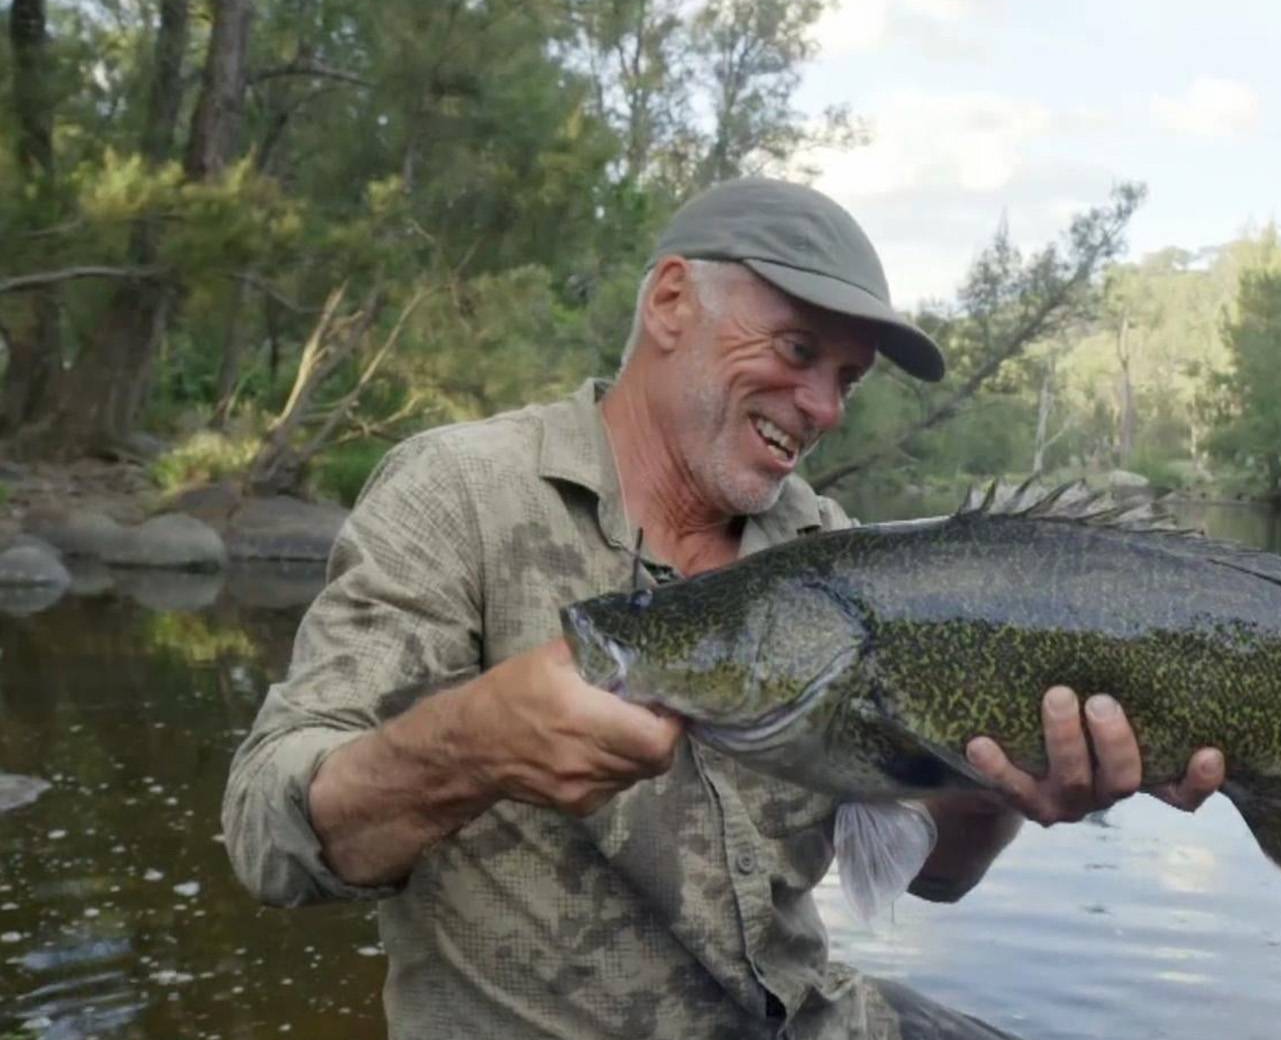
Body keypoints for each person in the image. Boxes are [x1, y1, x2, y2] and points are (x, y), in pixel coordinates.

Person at [221, 178, 1227, 1040]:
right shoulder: (462, 495)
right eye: (796, 349)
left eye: (846, 380)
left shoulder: (829, 552)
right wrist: (469, 747)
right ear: (670, 303)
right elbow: (270, 836)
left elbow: (935, 879)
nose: (825, 407)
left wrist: (997, 789)